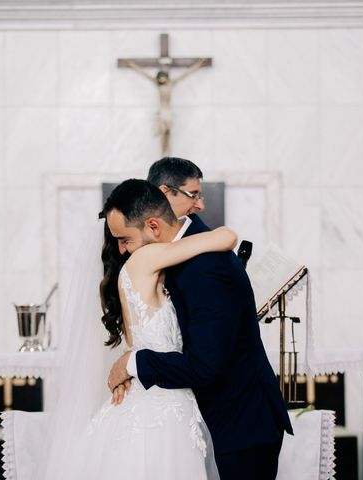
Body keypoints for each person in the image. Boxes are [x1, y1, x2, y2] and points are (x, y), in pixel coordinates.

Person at [39, 180, 236, 479]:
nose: (122, 248)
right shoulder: (144, 259)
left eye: (124, 239)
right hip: (165, 405)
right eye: (118, 240)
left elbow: (139, 345)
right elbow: (225, 237)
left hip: (152, 395)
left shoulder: (131, 274)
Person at [106, 180, 293, 479]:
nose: (123, 249)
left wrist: (133, 362)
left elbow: (206, 366)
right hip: (195, 417)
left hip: (239, 423)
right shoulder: (178, 258)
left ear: (153, 226)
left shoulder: (205, 268)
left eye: (126, 238)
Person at [125, 59, 207, 155]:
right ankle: (163, 153)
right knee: (163, 133)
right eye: (159, 78)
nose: (161, 80)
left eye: (162, 77)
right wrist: (132, 65)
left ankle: (167, 153)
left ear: (166, 77)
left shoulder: (171, 83)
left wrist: (199, 64)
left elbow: (186, 73)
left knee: (168, 133)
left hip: (168, 111)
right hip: (162, 111)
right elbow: (144, 74)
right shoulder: (157, 84)